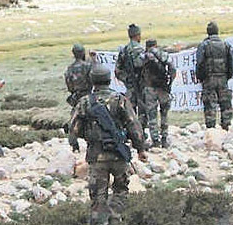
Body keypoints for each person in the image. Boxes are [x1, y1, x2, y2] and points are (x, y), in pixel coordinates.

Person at [69, 64, 147, 225]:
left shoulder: (85, 102)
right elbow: (133, 125)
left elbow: (73, 128)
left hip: (96, 157)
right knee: (120, 190)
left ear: (92, 81)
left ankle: (99, 221)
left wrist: (78, 141)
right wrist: (140, 149)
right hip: (119, 155)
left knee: (98, 196)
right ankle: (115, 217)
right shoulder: (119, 99)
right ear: (109, 80)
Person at [196, 21, 233, 130]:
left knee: (209, 105)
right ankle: (226, 127)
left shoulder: (204, 45)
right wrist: (228, 76)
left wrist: (201, 77)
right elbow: (230, 64)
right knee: (225, 103)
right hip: (223, 78)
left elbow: (200, 63)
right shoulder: (226, 45)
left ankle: (211, 129)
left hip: (209, 79)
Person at [140, 39, 176, 148]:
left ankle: (155, 140)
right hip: (163, 87)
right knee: (164, 113)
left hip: (149, 87)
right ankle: (164, 138)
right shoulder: (163, 54)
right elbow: (172, 69)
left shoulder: (143, 57)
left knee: (152, 114)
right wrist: (169, 83)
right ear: (156, 45)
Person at [115, 24, 144, 118]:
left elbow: (117, 70)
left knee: (131, 112)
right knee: (143, 111)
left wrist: (126, 79)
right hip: (141, 85)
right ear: (138, 35)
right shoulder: (140, 49)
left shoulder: (124, 50)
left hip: (130, 86)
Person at [64, 44, 93, 113]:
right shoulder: (88, 66)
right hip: (89, 97)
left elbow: (69, 87)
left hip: (76, 98)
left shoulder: (70, 69)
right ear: (83, 52)